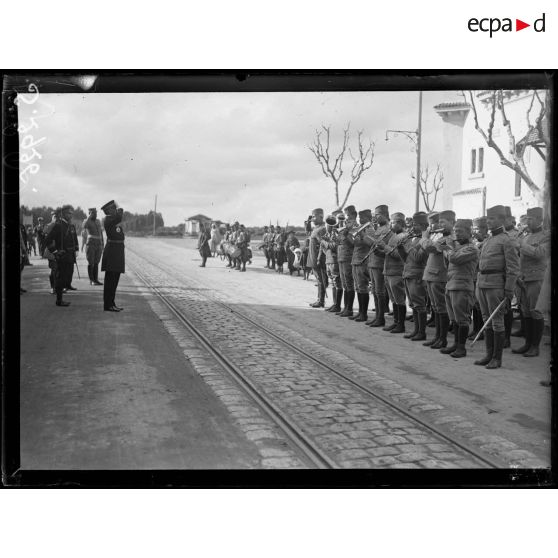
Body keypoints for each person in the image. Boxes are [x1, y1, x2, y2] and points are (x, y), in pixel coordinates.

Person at [474, 205, 520, 369]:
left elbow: (513, 268)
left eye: (492, 218)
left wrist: (508, 289)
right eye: (488, 219)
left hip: (496, 285)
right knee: (487, 320)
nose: (488, 221)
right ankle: (488, 355)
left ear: (502, 219)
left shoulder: (507, 240)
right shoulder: (488, 240)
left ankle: (497, 358)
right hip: (482, 283)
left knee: (497, 322)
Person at [511, 207, 549, 358]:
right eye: (527, 219)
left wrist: (521, 245)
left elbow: (540, 254)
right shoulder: (525, 237)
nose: (528, 222)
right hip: (523, 280)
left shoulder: (546, 236)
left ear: (540, 220)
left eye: (531, 219)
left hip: (537, 279)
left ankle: (535, 346)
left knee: (536, 312)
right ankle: (527, 343)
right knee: (526, 312)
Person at [439, 219, 478, 358]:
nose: (457, 234)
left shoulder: (472, 248)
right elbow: (449, 263)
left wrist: (448, 248)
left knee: (462, 319)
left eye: (461, 232)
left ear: (469, 232)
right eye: (456, 231)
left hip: (462, 287)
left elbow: (455, 259)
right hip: (451, 285)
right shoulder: (456, 248)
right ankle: (456, 344)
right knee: (454, 319)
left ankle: (461, 348)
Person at [421, 210, 454, 349]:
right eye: (439, 222)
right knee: (436, 308)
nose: (439, 225)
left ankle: (442, 339)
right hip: (431, 275)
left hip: (439, 276)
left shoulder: (450, 238)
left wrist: (424, 237)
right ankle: (437, 337)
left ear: (452, 223)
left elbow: (429, 248)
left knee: (441, 308)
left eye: (443, 222)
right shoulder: (439, 236)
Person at [399, 212, 429, 341]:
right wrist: (400, 248)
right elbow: (406, 259)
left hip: (417, 275)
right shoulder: (415, 239)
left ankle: (421, 332)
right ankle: (416, 330)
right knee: (413, 304)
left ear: (423, 225)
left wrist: (410, 245)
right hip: (408, 273)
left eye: (415, 224)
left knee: (419, 305)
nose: (412, 227)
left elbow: (418, 258)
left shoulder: (425, 240)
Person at [375, 212, 407, 333]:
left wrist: (385, 247)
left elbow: (399, 255)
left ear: (400, 223)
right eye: (392, 222)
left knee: (399, 299)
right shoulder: (393, 235)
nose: (391, 225)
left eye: (393, 223)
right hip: (388, 271)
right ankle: (396, 322)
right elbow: (388, 253)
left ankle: (401, 325)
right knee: (394, 299)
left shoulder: (404, 236)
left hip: (397, 271)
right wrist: (379, 251)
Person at [44, 205, 78, 307]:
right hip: (62, 256)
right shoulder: (58, 225)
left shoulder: (70, 226)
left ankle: (61, 299)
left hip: (69, 256)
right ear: (63, 214)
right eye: (68, 213)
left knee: (66, 277)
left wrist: (75, 250)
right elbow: (47, 240)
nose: (70, 215)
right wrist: (55, 252)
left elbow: (73, 240)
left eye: (71, 213)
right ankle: (59, 300)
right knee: (60, 278)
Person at [364, 205, 391, 327]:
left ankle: (381, 318)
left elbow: (384, 247)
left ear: (385, 215)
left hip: (379, 263)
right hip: (373, 262)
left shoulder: (387, 229)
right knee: (375, 291)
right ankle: (377, 317)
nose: (375, 217)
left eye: (378, 215)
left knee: (379, 292)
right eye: (375, 214)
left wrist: (374, 243)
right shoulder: (379, 228)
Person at [101, 200, 125, 312]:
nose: (116, 210)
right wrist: (120, 210)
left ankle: (112, 303)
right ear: (108, 211)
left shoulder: (114, 220)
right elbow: (119, 217)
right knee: (110, 281)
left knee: (115, 280)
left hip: (117, 252)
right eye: (113, 209)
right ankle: (107, 305)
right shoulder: (107, 219)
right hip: (112, 252)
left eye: (115, 208)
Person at [349, 209, 373, 322]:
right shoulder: (360, 228)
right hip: (356, 260)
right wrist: (348, 232)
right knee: (358, 288)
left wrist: (362, 235)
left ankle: (364, 314)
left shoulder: (370, 229)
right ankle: (360, 312)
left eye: (362, 218)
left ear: (368, 218)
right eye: (359, 217)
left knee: (363, 288)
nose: (360, 219)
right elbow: (354, 243)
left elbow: (370, 243)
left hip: (363, 261)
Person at [334, 208, 356, 317]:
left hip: (348, 258)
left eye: (347, 216)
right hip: (341, 258)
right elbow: (338, 241)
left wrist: (346, 232)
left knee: (349, 283)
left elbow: (353, 243)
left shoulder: (355, 228)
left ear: (353, 217)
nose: (346, 219)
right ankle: (346, 308)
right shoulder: (345, 228)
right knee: (345, 284)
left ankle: (349, 309)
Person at [469, 216, 488, 341]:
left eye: (478, 229)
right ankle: (475, 329)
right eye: (474, 229)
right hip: (473, 276)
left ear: (485, 230)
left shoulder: (487, 242)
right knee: (475, 305)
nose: (475, 232)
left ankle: (481, 331)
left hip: (482, 277)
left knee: (481, 306)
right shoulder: (474, 242)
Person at [320, 214, 342, 312]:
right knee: (332, 283)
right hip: (328, 260)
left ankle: (337, 305)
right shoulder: (327, 235)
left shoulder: (336, 234)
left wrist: (324, 242)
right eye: (327, 224)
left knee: (337, 283)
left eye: (331, 224)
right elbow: (324, 248)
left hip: (334, 261)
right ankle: (334, 304)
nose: (328, 226)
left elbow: (333, 246)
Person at [307, 208, 328, 308]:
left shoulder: (322, 229)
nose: (312, 219)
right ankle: (319, 299)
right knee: (319, 280)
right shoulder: (316, 228)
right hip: (313, 258)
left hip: (318, 259)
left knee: (321, 280)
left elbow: (323, 245)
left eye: (314, 217)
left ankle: (321, 301)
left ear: (321, 216)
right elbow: (308, 232)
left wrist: (320, 259)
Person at [82, 207, 105, 285]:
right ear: (89, 214)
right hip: (91, 244)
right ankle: (91, 280)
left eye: (96, 213)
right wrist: (88, 217)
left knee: (96, 262)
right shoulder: (87, 221)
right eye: (93, 213)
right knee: (91, 262)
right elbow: (83, 226)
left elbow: (101, 233)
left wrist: (103, 244)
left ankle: (96, 279)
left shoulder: (98, 221)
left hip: (98, 244)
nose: (95, 214)